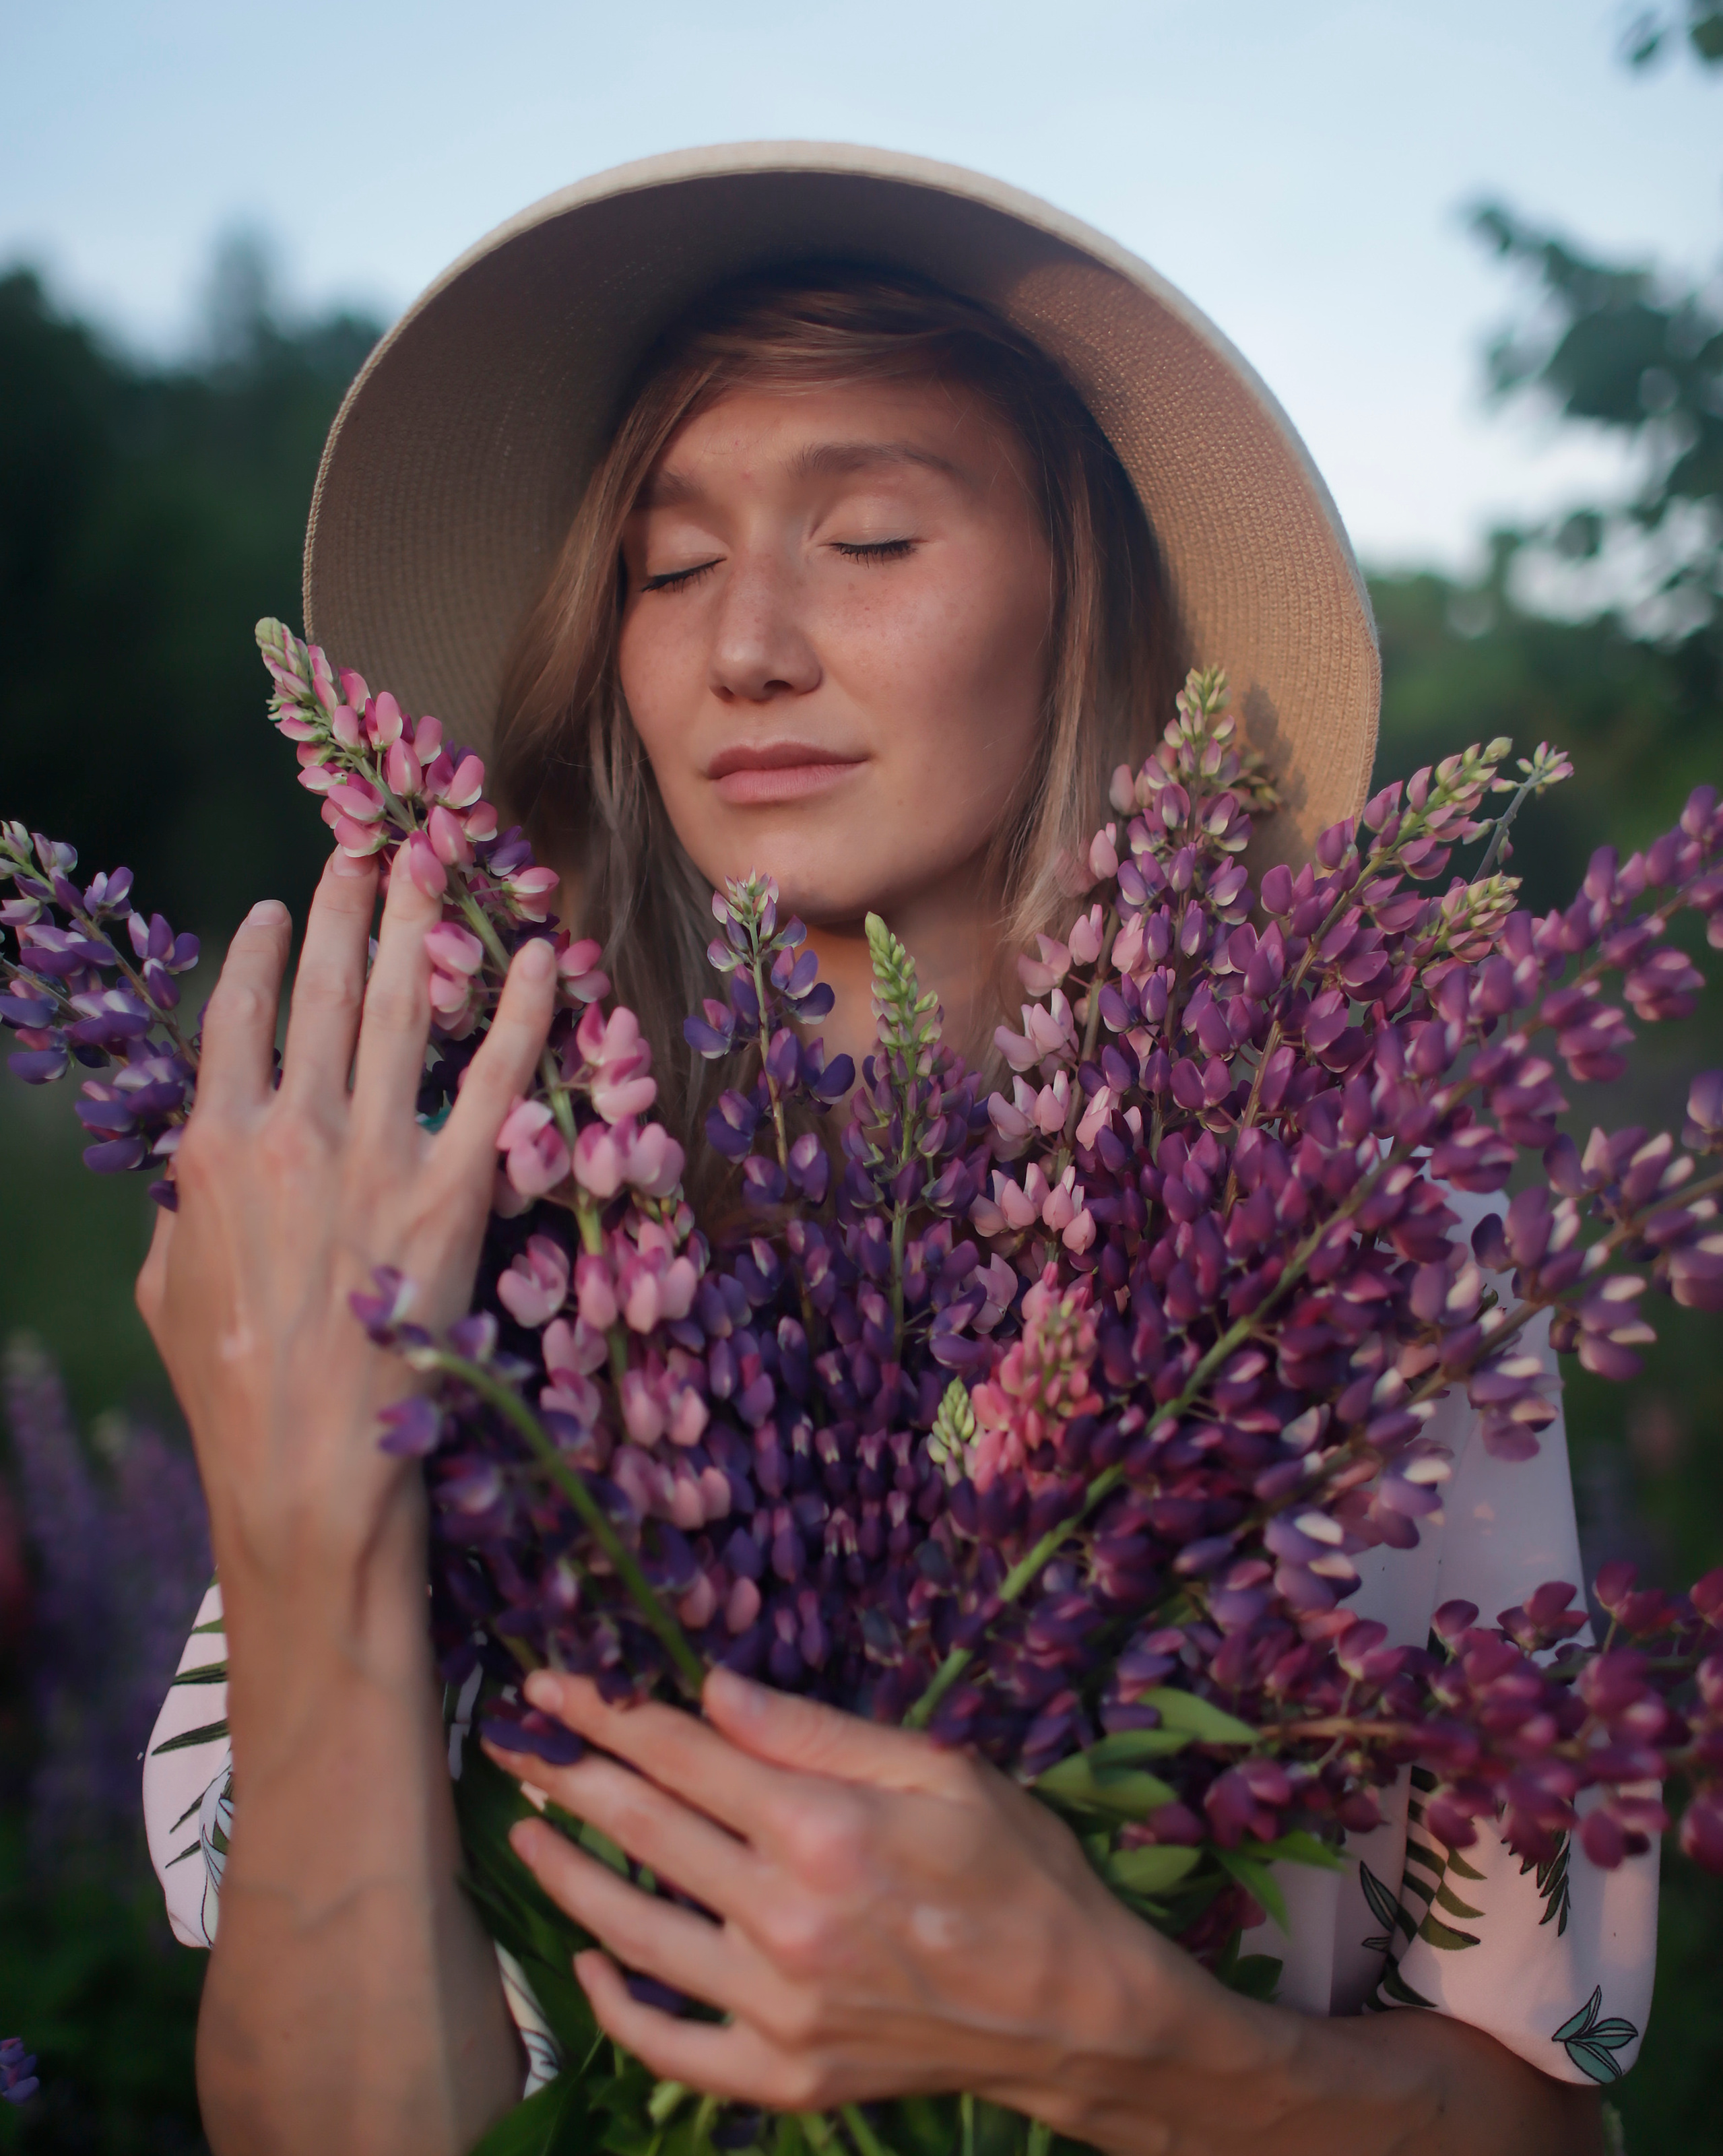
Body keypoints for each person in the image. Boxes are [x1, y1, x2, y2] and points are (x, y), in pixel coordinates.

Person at [137, 148, 1650, 2156]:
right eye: (666, 569)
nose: (745, 644)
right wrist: (304, 1504)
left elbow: (1538, 2120)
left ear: (1075, 602)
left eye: (865, 535)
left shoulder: (1358, 1239)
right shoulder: (461, 1228)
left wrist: (1114, 2037)